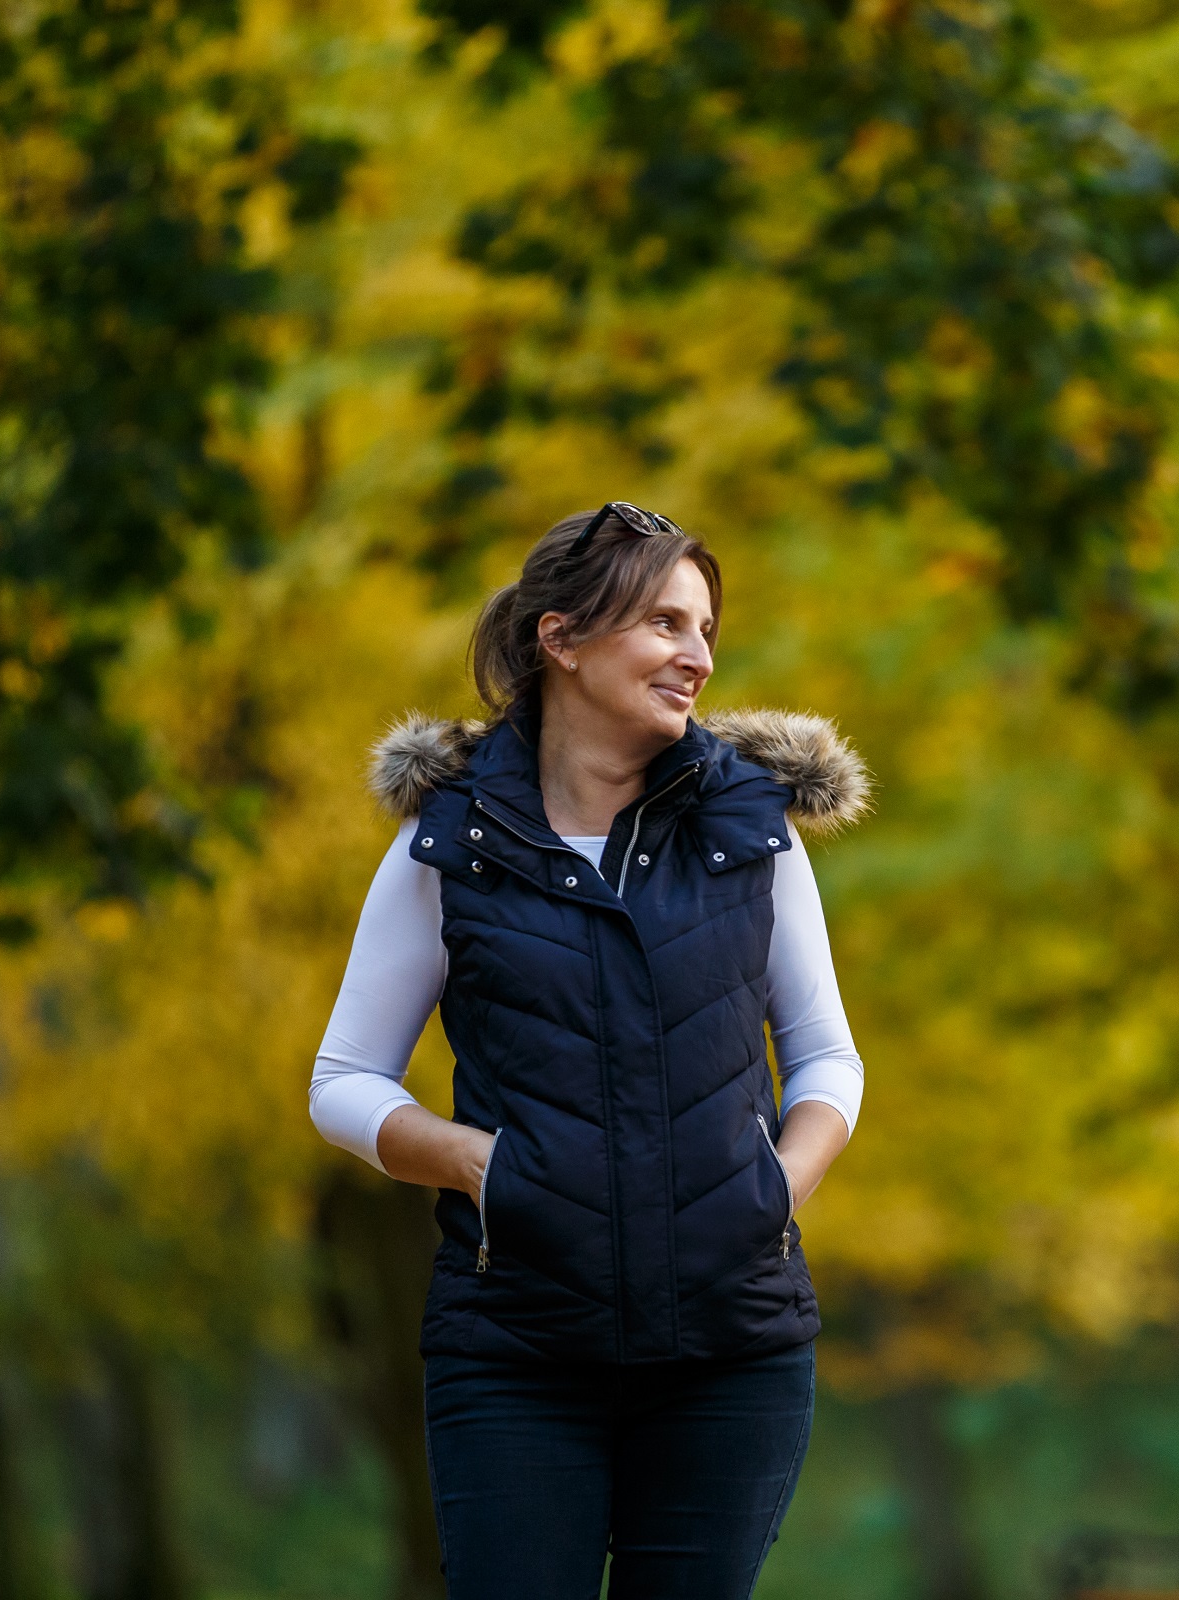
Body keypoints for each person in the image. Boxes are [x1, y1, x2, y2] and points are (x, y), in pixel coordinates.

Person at [307, 502, 871, 1599]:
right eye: (665, 624)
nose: (698, 657)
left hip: (733, 1352)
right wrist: (477, 1165)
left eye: (705, 629)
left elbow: (826, 1057)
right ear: (560, 639)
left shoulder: (750, 828)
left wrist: (777, 1187)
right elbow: (343, 1081)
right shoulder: (452, 840)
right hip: (514, 1350)